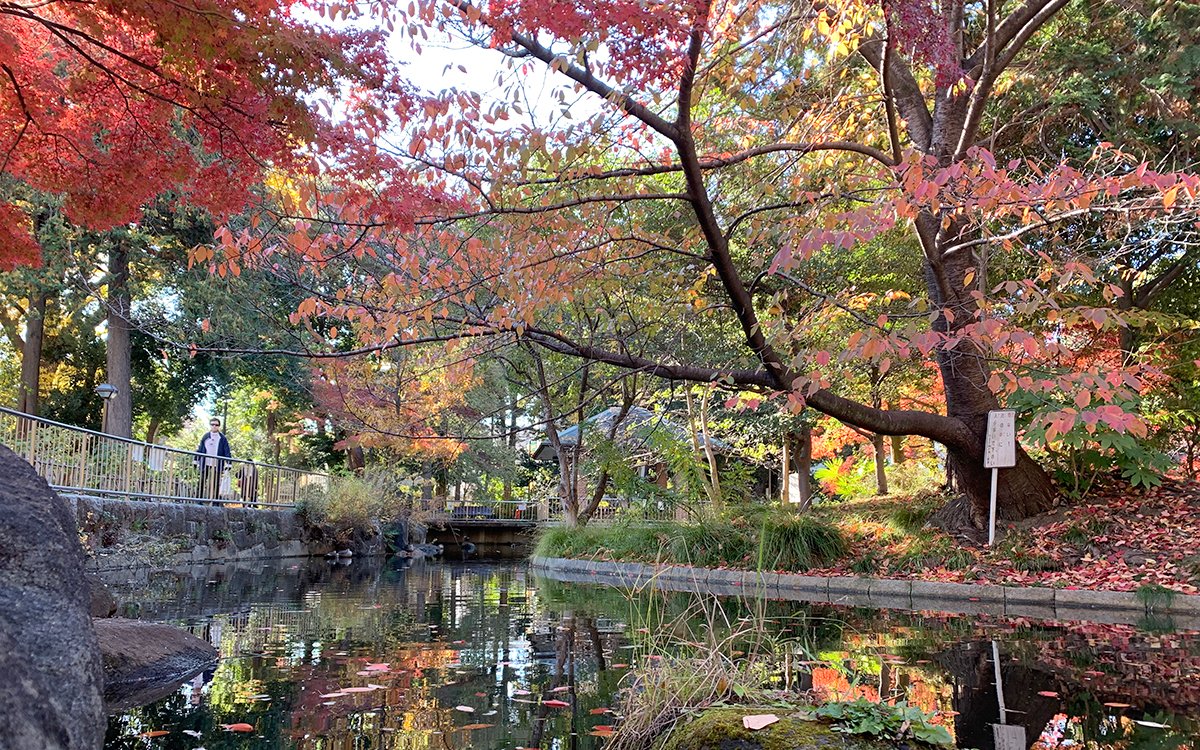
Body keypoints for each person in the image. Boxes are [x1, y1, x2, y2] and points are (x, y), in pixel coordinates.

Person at [195, 418, 232, 501]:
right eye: (212, 424)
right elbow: (200, 448)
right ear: (210, 425)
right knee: (202, 480)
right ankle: (198, 499)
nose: (214, 426)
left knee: (216, 482)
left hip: (217, 463)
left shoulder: (222, 438)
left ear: (219, 426)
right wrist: (195, 460)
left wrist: (229, 463)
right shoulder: (206, 436)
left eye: (216, 425)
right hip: (205, 462)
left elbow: (227, 450)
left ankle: (215, 500)